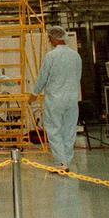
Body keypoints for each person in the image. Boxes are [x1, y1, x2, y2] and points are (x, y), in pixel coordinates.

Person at [32, 26, 83, 172]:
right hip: (72, 99)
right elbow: (77, 77)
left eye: (49, 38)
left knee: (54, 130)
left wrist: (34, 94)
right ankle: (67, 160)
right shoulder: (75, 56)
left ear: (54, 38)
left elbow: (43, 77)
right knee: (69, 130)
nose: (49, 40)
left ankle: (61, 163)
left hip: (55, 99)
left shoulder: (51, 56)